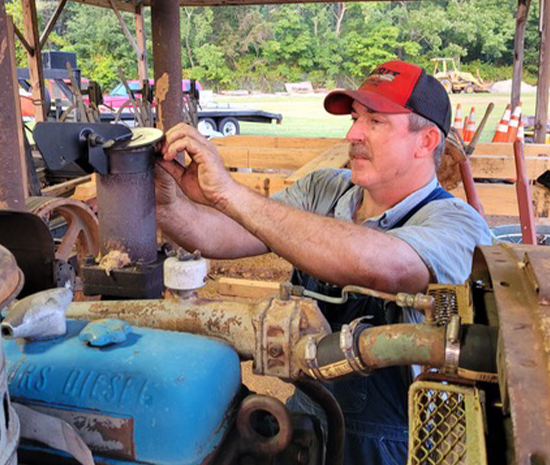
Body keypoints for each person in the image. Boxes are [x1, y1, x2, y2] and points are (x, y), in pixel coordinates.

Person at [155, 60, 492, 465]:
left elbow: (385, 266)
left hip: (392, 446)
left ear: (426, 141)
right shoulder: (326, 188)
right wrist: (167, 203)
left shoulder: (458, 225)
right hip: (306, 418)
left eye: (375, 122)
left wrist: (229, 192)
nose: (352, 134)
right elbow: (221, 234)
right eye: (354, 119)